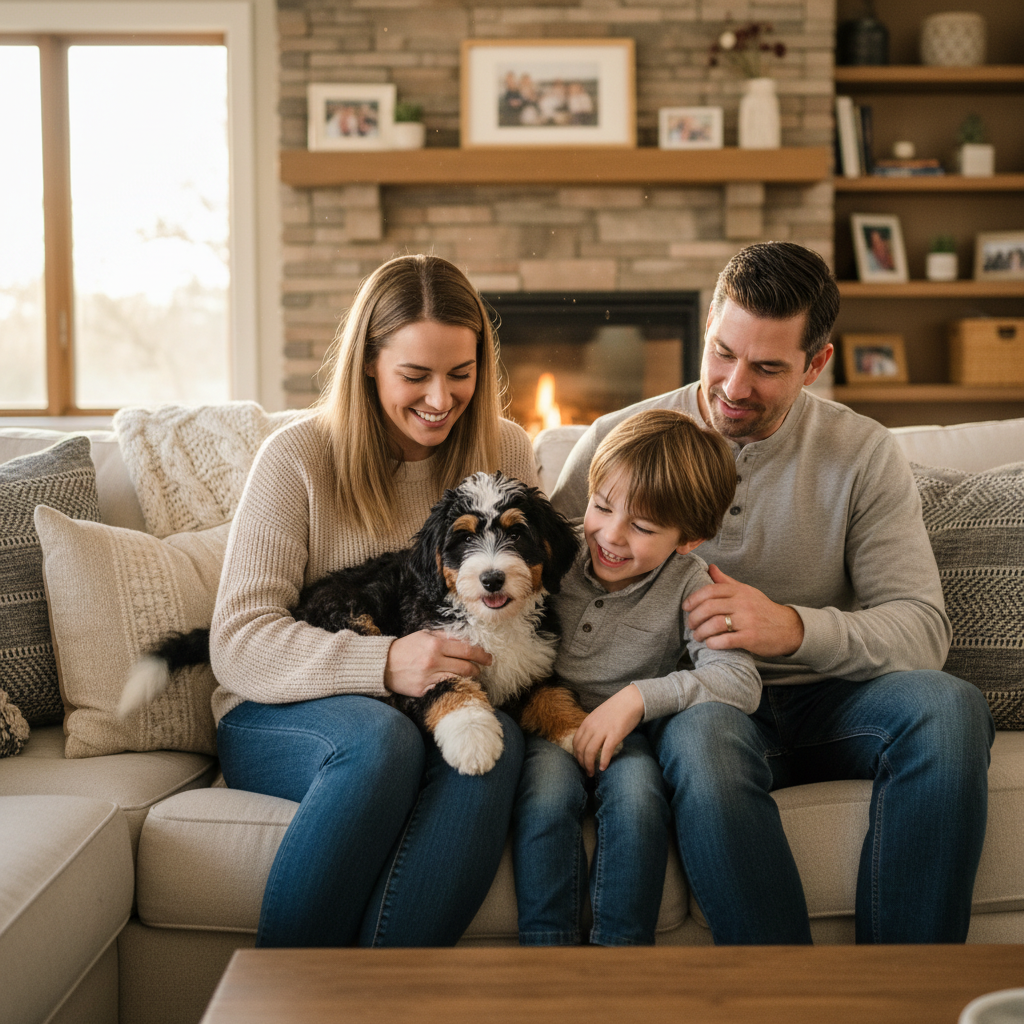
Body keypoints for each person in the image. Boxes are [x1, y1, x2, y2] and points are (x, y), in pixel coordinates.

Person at [550, 241, 995, 945]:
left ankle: (908, 984)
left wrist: (790, 628)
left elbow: (921, 629)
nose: (733, 386)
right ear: (707, 330)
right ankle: (783, 989)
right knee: (703, 737)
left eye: (766, 367)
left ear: (816, 364)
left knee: (949, 707)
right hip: (708, 702)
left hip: (831, 700)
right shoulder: (620, 438)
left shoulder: (863, 453)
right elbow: (544, 578)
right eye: (722, 352)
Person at [209, 254, 536, 948]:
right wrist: (384, 662)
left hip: (435, 703)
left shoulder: (504, 448)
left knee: (496, 749)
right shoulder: (295, 458)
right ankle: (285, 993)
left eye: (461, 373)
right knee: (382, 739)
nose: (441, 398)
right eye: (415, 376)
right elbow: (237, 641)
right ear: (367, 363)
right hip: (280, 711)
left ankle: (387, 992)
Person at [513, 409, 761, 946]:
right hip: (547, 724)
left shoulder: (691, 584)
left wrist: (636, 699)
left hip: (627, 738)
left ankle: (621, 959)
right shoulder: (552, 548)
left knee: (639, 802)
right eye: (602, 506)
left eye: (643, 528)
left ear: (688, 538)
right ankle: (545, 959)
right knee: (546, 799)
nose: (611, 535)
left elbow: (740, 681)